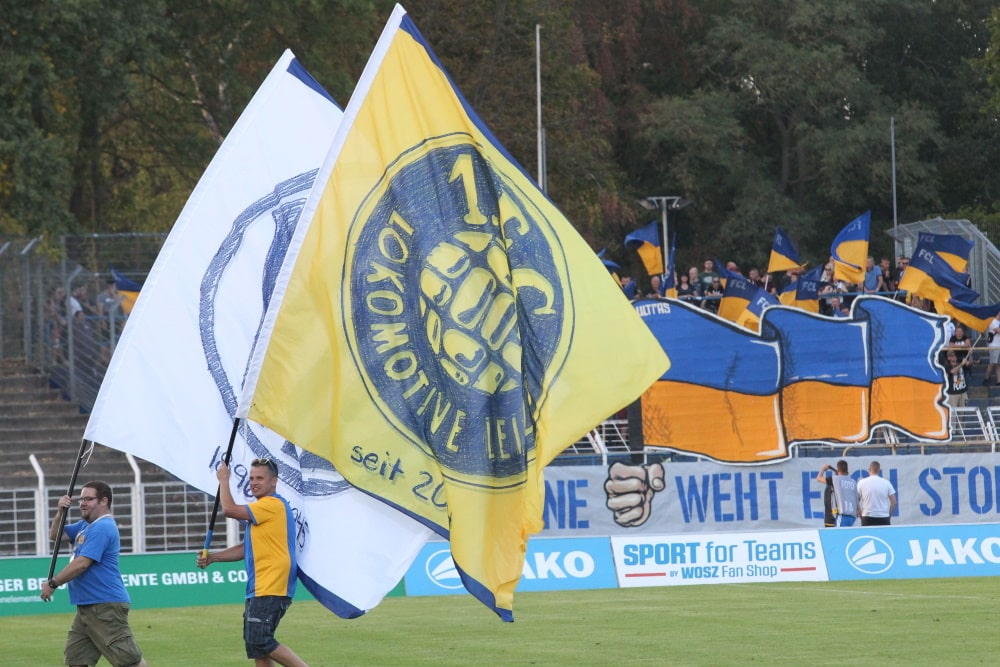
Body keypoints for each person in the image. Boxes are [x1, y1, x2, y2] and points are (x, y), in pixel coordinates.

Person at [197, 459, 308, 667]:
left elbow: (229, 510)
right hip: (259, 587)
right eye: (251, 478)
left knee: (261, 640)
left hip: (270, 585)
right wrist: (213, 557)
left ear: (273, 482)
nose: (254, 482)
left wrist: (223, 480)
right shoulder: (262, 509)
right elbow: (245, 548)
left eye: (259, 478)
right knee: (257, 647)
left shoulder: (271, 504)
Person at [40, 481, 148, 667]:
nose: (82, 503)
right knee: (77, 661)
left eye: (88, 499)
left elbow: (82, 563)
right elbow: (56, 536)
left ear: (104, 501)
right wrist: (60, 513)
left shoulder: (102, 527)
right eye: (81, 499)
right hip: (88, 606)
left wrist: (53, 583)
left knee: (129, 661)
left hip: (104, 605)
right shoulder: (86, 525)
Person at [816, 460, 858, 527]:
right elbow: (857, 498)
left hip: (842, 515)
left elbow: (818, 478)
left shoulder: (835, 479)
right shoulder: (853, 482)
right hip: (852, 516)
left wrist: (823, 469)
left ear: (838, 470)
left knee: (839, 535)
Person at [856, 461, 897, 526]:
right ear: (879, 470)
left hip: (867, 517)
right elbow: (894, 502)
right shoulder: (886, 483)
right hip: (883, 517)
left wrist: (860, 514)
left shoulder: (861, 483)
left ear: (869, 470)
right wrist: (888, 515)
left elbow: (856, 501)